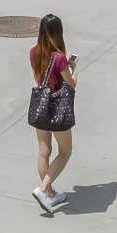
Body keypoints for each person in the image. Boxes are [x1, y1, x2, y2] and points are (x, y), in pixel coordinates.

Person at [30, 13, 77, 215]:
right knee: (65, 152)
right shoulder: (59, 58)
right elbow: (71, 83)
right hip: (58, 110)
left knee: (44, 151)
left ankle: (50, 195)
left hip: (41, 107)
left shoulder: (34, 52)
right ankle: (42, 189)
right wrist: (74, 68)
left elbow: (38, 78)